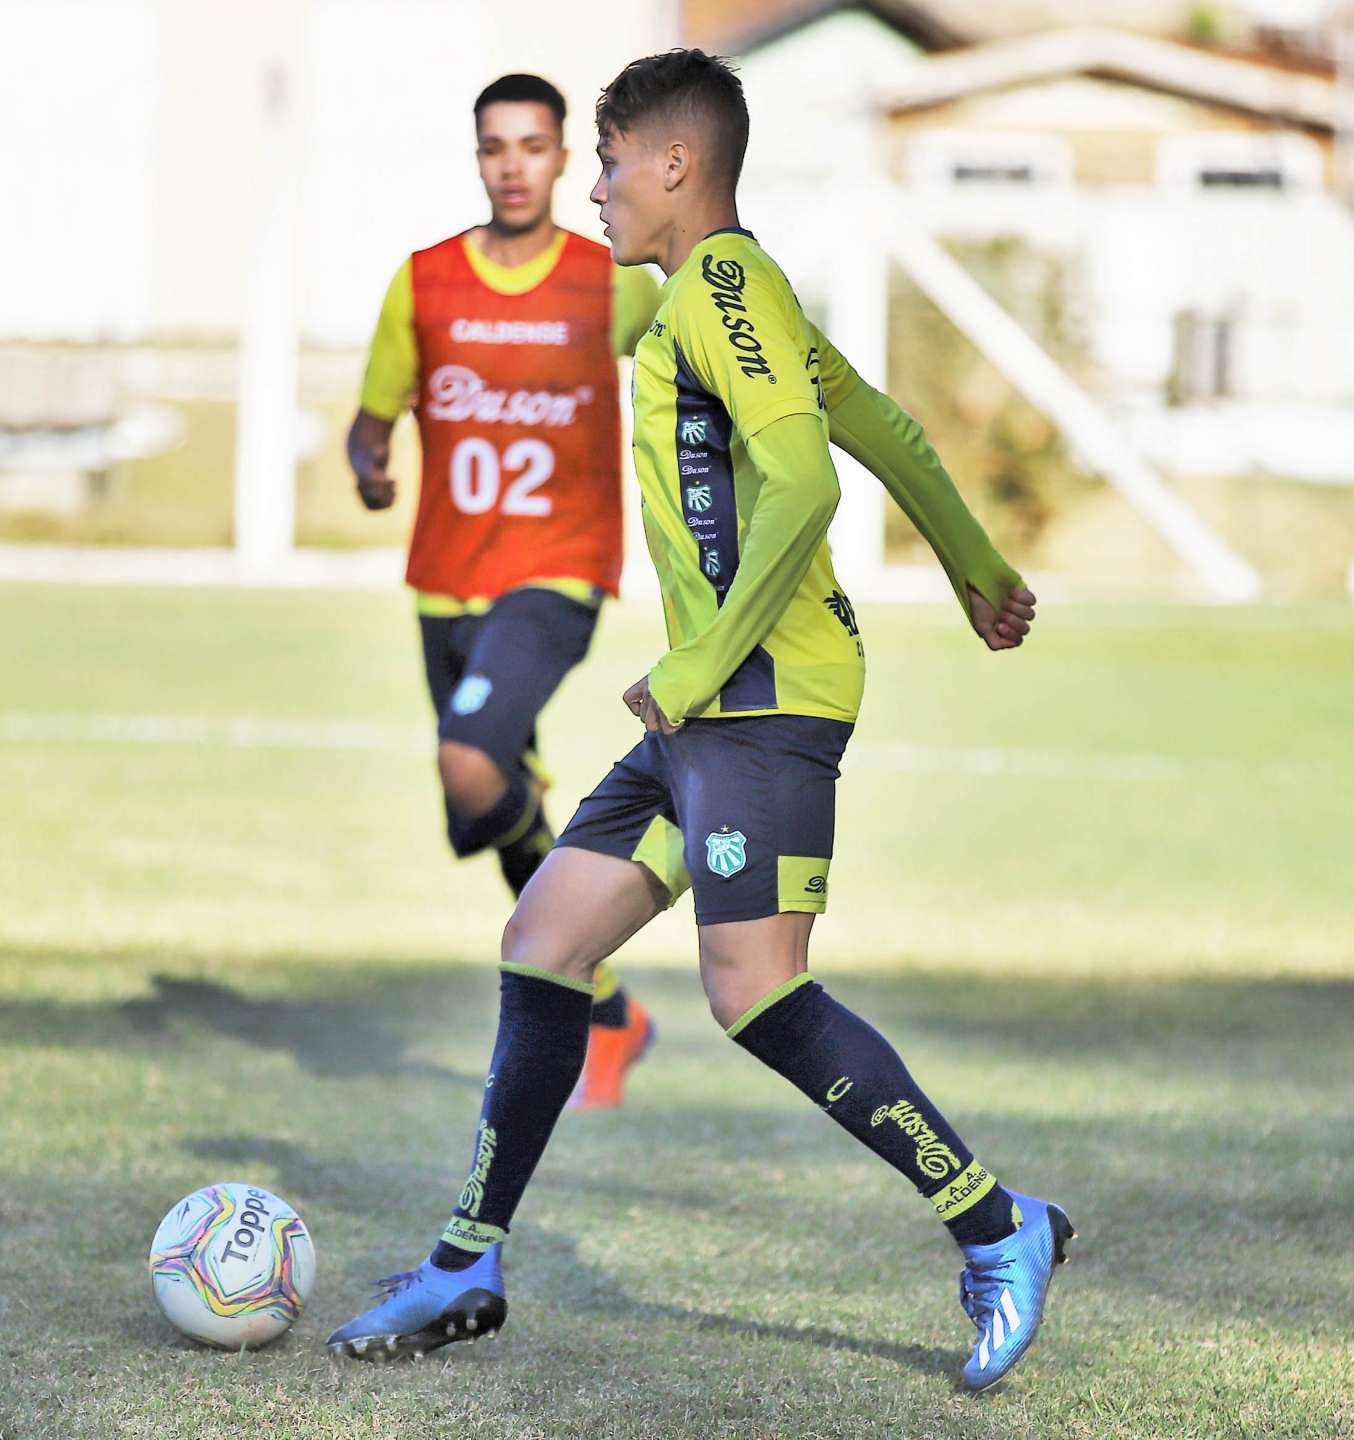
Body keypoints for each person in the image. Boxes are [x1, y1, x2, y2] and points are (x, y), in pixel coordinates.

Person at [328, 50, 1068, 1392]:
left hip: (759, 696)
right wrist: (977, 572)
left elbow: (803, 484)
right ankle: (466, 1262)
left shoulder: (724, 287)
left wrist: (698, 664)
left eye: (607, 164)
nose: (593, 190)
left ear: (674, 166)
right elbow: (887, 431)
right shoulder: (733, 295)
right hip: (713, 704)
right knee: (546, 942)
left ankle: (999, 1223)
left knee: (755, 990)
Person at [348, 73, 663, 1109]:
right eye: (495, 147)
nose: (514, 164)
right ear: (477, 158)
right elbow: (373, 413)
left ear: (566, 157)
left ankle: (585, 988)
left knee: (470, 760)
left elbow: (692, 370)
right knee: (489, 802)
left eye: (533, 145)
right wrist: (368, 460)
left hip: (556, 572)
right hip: (443, 584)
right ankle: (609, 1005)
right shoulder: (426, 280)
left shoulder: (610, 281)